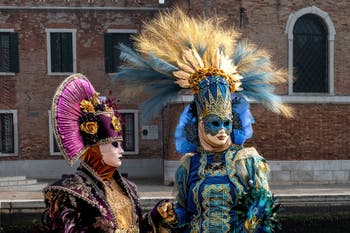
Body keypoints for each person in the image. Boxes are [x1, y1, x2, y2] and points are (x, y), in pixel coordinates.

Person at [113, 7, 293, 232]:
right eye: (214, 123)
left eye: (226, 123)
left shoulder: (248, 163)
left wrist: (254, 221)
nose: (222, 131)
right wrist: (165, 216)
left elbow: (265, 212)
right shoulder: (189, 167)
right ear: (199, 124)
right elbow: (183, 212)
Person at [42, 73, 174, 232]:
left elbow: (137, 226)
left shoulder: (128, 187)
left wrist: (157, 215)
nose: (122, 151)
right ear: (95, 149)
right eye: (115, 145)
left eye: (121, 145)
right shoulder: (71, 192)